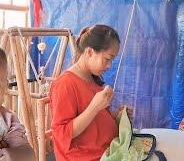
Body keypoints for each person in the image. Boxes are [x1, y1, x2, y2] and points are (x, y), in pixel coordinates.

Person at [49, 25, 133, 161]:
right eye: (107, 58)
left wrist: (116, 115)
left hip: (107, 149)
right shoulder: (65, 84)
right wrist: (94, 107)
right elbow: (61, 135)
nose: (109, 65)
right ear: (89, 52)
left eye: (112, 60)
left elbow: (95, 122)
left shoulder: (93, 78)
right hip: (84, 157)